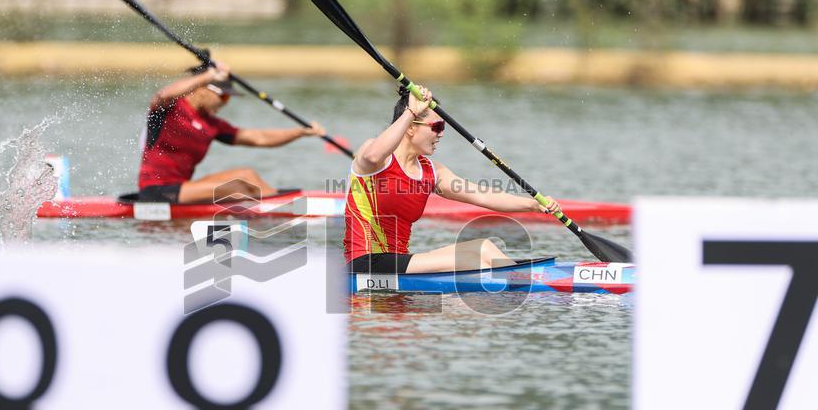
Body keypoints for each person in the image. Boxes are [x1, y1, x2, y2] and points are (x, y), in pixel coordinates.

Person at [345, 85, 562, 274]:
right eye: (437, 127)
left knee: (484, 248)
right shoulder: (376, 158)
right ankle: (522, 286)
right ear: (410, 127)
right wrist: (411, 111)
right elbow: (372, 155)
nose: (441, 134)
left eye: (443, 128)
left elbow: (481, 194)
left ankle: (522, 283)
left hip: (399, 263)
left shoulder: (431, 171)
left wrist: (533, 204)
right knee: (474, 262)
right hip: (365, 263)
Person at [137, 60, 324, 203]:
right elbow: (163, 94)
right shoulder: (168, 109)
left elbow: (259, 138)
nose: (225, 103)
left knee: (247, 175)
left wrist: (299, 132)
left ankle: (281, 206)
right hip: (156, 191)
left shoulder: (212, 125)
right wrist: (209, 75)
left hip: (182, 188)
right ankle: (279, 212)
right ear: (202, 89)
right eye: (223, 96)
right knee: (239, 187)